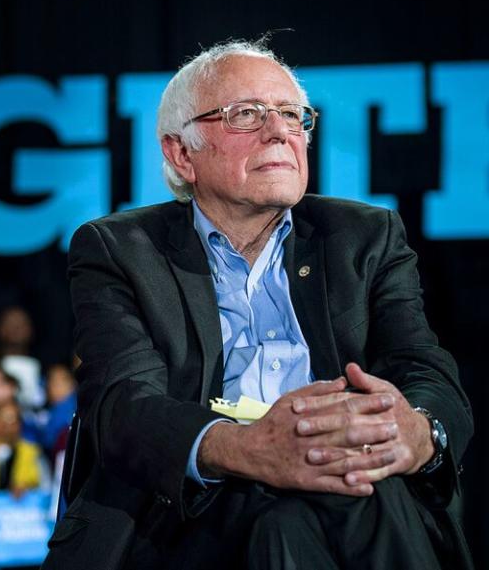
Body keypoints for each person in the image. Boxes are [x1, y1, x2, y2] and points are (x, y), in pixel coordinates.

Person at [43, 40, 473, 570]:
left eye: (293, 116)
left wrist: (416, 431)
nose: (279, 131)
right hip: (192, 508)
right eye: (246, 114)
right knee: (311, 508)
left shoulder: (364, 236)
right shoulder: (120, 250)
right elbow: (124, 406)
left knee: (342, 494)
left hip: (348, 487)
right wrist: (249, 450)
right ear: (182, 153)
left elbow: (423, 366)